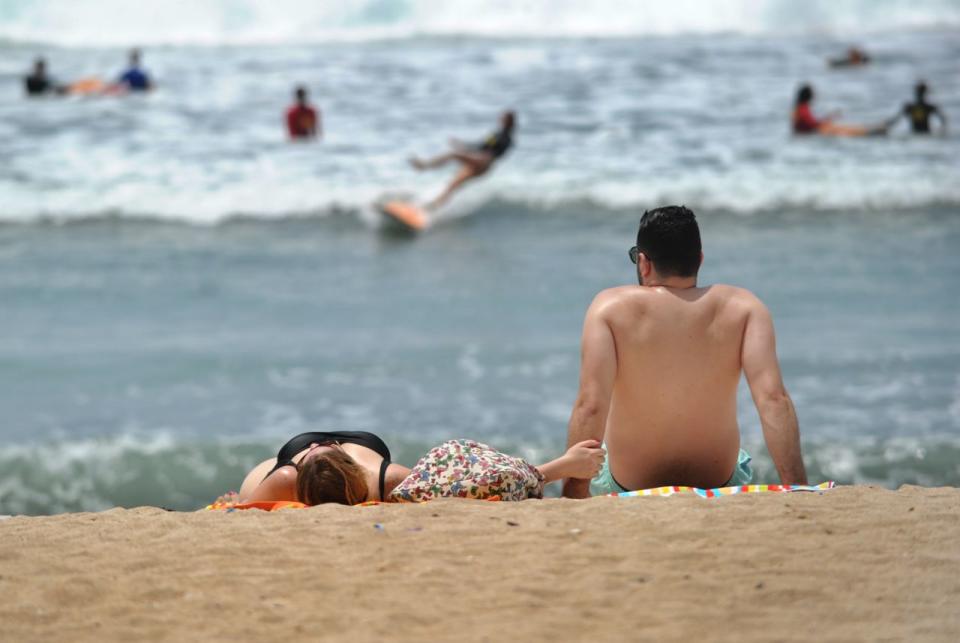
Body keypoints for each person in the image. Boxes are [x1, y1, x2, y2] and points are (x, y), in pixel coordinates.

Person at [562, 205, 808, 498]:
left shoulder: (609, 308)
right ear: (699, 260)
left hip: (630, 481)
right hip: (717, 480)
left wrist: (573, 494)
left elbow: (590, 405)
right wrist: (798, 487)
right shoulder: (744, 306)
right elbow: (773, 400)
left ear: (643, 263)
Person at [238, 430, 604, 505]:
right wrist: (556, 468)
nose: (319, 444)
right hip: (356, 451)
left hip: (289, 457)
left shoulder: (287, 477)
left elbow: (243, 510)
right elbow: (472, 481)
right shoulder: (387, 480)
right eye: (321, 449)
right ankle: (555, 466)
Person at [409, 110, 515, 210]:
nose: (501, 120)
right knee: (453, 184)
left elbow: (494, 153)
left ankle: (423, 166)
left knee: (453, 155)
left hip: (483, 162)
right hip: (481, 164)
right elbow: (479, 145)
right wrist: (462, 145)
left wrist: (463, 147)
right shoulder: (497, 135)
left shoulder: (506, 139)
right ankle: (433, 207)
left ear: (509, 122)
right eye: (502, 118)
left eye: (504, 118)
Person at [792, 84, 888, 137]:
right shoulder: (802, 108)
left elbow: (809, 124)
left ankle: (871, 130)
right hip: (814, 132)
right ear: (808, 96)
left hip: (811, 132)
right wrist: (829, 118)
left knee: (843, 128)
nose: (814, 96)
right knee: (844, 130)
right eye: (813, 94)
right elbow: (812, 125)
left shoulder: (798, 108)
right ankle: (871, 131)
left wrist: (828, 118)